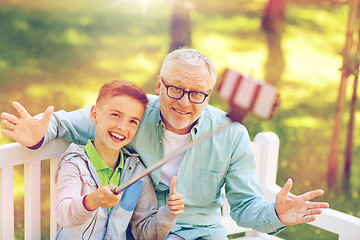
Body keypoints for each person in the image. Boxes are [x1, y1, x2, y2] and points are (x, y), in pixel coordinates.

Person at [1, 49, 329, 240]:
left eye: (197, 93)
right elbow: (72, 122)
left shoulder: (230, 134)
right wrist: (39, 135)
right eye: (175, 89)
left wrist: (277, 213)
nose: (185, 102)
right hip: (149, 232)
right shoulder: (135, 114)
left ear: (209, 95)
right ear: (159, 85)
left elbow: (244, 209)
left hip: (204, 233)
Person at [29, 80, 184, 239]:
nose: (122, 127)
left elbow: (145, 234)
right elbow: (64, 214)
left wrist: (169, 214)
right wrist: (92, 200)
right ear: (95, 114)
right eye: (116, 115)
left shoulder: (138, 174)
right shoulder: (75, 163)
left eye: (133, 121)